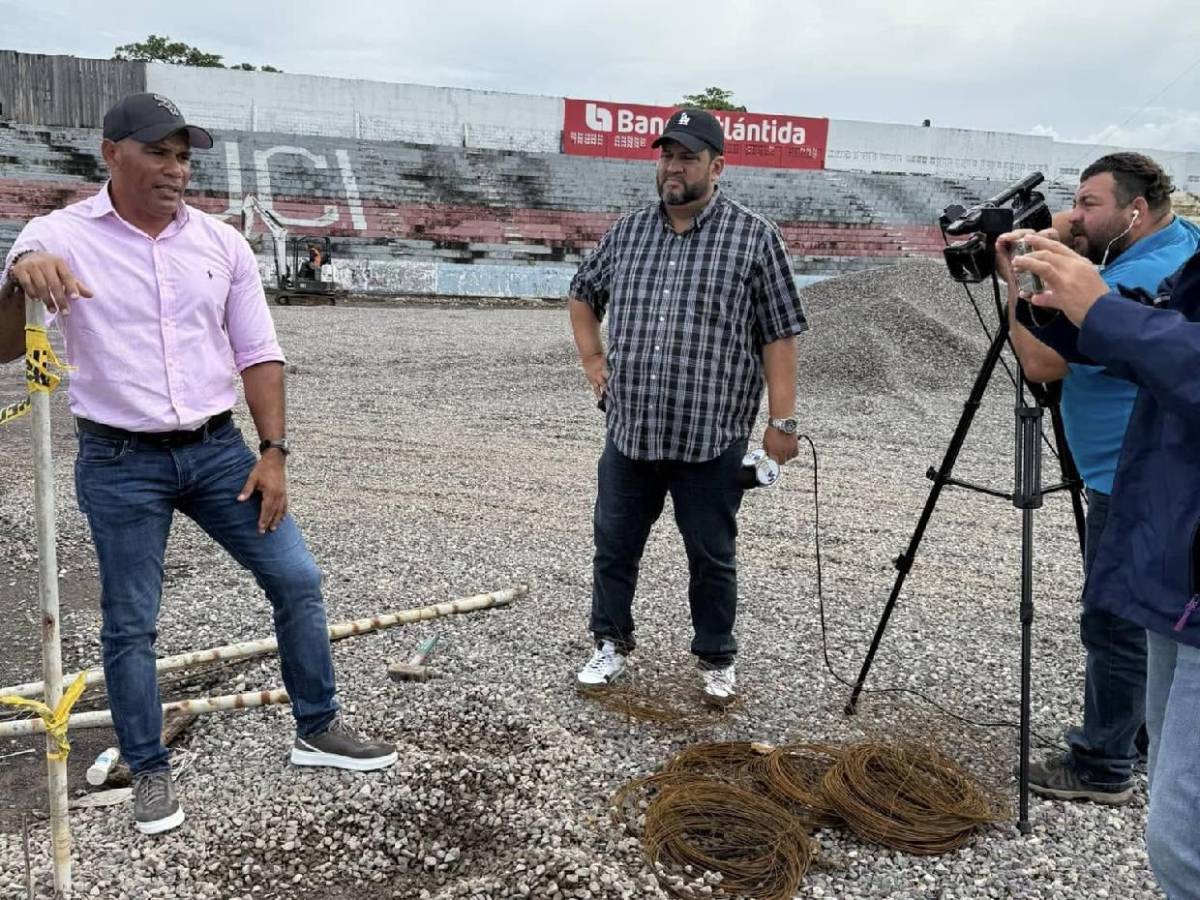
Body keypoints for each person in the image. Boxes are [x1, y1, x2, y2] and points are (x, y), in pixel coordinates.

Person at [0, 93, 396, 836]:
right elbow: (5, 346)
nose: (176, 169)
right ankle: (148, 770)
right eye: (159, 152)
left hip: (220, 452)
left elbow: (259, 353)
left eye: (184, 156)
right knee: (130, 623)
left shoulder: (221, 244)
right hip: (120, 459)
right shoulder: (56, 235)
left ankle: (318, 727)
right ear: (111, 152)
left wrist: (273, 453)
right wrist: (21, 278)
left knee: (297, 579)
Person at [567, 108, 809, 706]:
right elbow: (581, 293)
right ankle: (610, 641)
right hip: (631, 433)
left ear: (717, 166)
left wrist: (782, 422)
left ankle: (716, 657)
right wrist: (594, 364)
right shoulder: (629, 231)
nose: (673, 167)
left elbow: (778, 335)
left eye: (688, 157)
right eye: (666, 155)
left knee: (712, 556)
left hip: (710, 438)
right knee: (615, 545)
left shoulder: (754, 238)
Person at [1006, 225, 1200, 900]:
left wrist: (1105, 309)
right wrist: (1038, 300)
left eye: (1092, 203)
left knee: (1183, 843)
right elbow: (1149, 343)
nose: (1077, 214)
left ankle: (1104, 760)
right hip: (1176, 557)